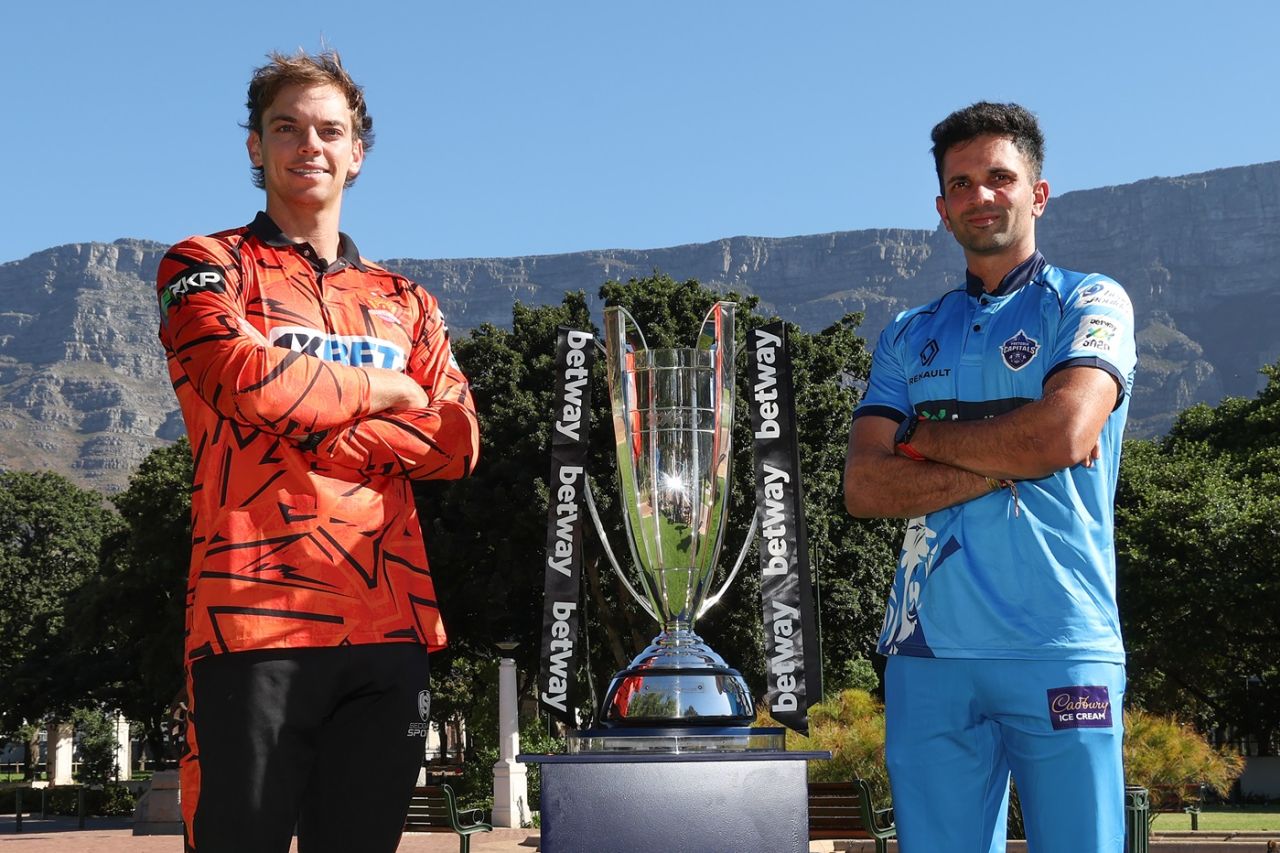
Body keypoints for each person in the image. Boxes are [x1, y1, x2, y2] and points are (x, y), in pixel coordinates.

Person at [156, 50, 480, 853]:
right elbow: (242, 378)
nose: (310, 145)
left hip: (388, 626)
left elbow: (457, 439)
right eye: (286, 128)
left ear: (357, 150)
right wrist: (388, 391)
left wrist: (312, 410)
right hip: (251, 624)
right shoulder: (205, 264)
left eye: (330, 129)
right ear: (255, 148)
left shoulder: (406, 301)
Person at [843, 102, 1136, 852]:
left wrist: (925, 439)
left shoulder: (1091, 300)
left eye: (1000, 178)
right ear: (942, 209)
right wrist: (1015, 456)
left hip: (1062, 638)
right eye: (962, 183)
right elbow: (866, 488)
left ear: (1037, 192)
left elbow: (1064, 432)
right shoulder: (909, 332)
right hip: (928, 653)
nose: (982, 195)